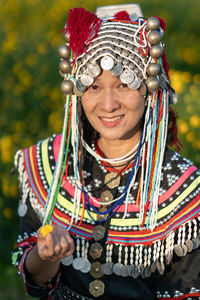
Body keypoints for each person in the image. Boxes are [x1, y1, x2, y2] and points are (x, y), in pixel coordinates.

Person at [11, 4, 200, 300]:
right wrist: (45, 256)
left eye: (125, 84)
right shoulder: (50, 163)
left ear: (149, 89)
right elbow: (35, 280)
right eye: (94, 86)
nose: (108, 104)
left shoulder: (185, 190)